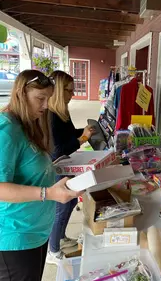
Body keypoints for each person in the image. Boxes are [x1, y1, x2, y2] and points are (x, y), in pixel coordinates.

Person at [0, 70, 82, 281]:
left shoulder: (26, 124)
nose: (46, 106)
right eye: (40, 99)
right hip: (16, 238)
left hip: (36, 233)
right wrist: (48, 193)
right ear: (21, 94)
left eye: (48, 98)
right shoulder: (6, 132)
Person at [46, 70, 95, 265]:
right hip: (59, 167)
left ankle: (60, 237)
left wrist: (84, 131)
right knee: (62, 209)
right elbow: (58, 149)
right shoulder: (51, 116)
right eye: (69, 90)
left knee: (71, 203)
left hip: (67, 164)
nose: (72, 94)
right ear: (59, 90)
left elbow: (67, 135)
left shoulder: (61, 112)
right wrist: (82, 139)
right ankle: (53, 250)